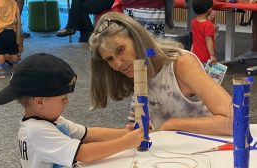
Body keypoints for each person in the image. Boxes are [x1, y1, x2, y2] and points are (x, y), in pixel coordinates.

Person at [0, 53, 143, 168]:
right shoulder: (36, 131)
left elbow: (89, 133)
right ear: (40, 101)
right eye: (63, 99)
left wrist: (125, 133)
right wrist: (126, 143)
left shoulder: (53, 121)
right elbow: (84, 153)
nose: (67, 103)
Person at [89, 12, 233, 135]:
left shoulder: (181, 63)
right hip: (170, 154)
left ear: (137, 39)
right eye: (109, 59)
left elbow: (235, 120)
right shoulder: (137, 70)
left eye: (120, 49)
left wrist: (172, 125)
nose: (118, 64)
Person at [0, 0, 21, 77]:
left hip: (1, 32)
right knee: (14, 52)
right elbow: (18, 20)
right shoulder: (14, 2)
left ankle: (0, 72)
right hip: (11, 32)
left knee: (1, 53)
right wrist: (18, 38)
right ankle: (16, 72)